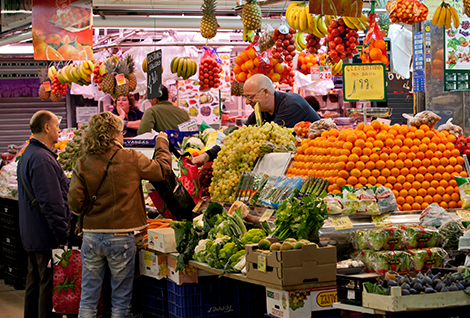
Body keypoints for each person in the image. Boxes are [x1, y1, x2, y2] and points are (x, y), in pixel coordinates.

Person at [68, 112, 172, 317]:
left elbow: (75, 203)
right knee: (121, 302)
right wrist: (161, 142)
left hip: (91, 236)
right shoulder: (131, 158)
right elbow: (162, 170)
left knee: (88, 299)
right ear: (115, 134)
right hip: (121, 237)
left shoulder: (83, 162)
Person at [192, 74, 320, 165]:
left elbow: (269, 139)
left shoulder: (291, 104)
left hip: (319, 161)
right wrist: (208, 155)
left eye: (250, 96)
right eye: (245, 97)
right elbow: (240, 137)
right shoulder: (260, 113)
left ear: (265, 92)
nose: (247, 102)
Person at [17, 110, 70, 318]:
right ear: (46, 127)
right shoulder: (42, 159)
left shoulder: (28, 154)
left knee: (35, 282)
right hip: (44, 234)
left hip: (32, 232)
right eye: (57, 125)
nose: (59, 129)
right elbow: (51, 202)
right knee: (48, 284)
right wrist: (62, 235)